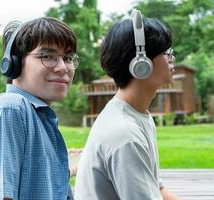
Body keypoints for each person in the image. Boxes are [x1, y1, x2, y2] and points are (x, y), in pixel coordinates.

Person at [0, 17, 80, 199]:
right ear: (14, 63)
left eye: (67, 58)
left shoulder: (40, 118)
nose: (62, 67)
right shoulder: (9, 110)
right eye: (47, 56)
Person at [75, 10, 180, 200]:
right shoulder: (126, 134)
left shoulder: (135, 114)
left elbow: (158, 190)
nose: (172, 59)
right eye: (167, 52)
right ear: (141, 63)